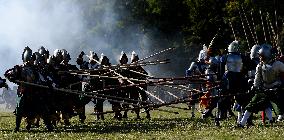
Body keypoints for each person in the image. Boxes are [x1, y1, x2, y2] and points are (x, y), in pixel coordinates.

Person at [239, 44, 284, 127]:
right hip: (264, 89)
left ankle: (277, 117)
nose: (259, 57)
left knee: (279, 106)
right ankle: (241, 123)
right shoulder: (259, 66)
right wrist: (254, 87)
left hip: (276, 89)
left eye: (261, 56)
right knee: (251, 105)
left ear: (266, 55)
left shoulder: (278, 64)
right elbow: (257, 79)